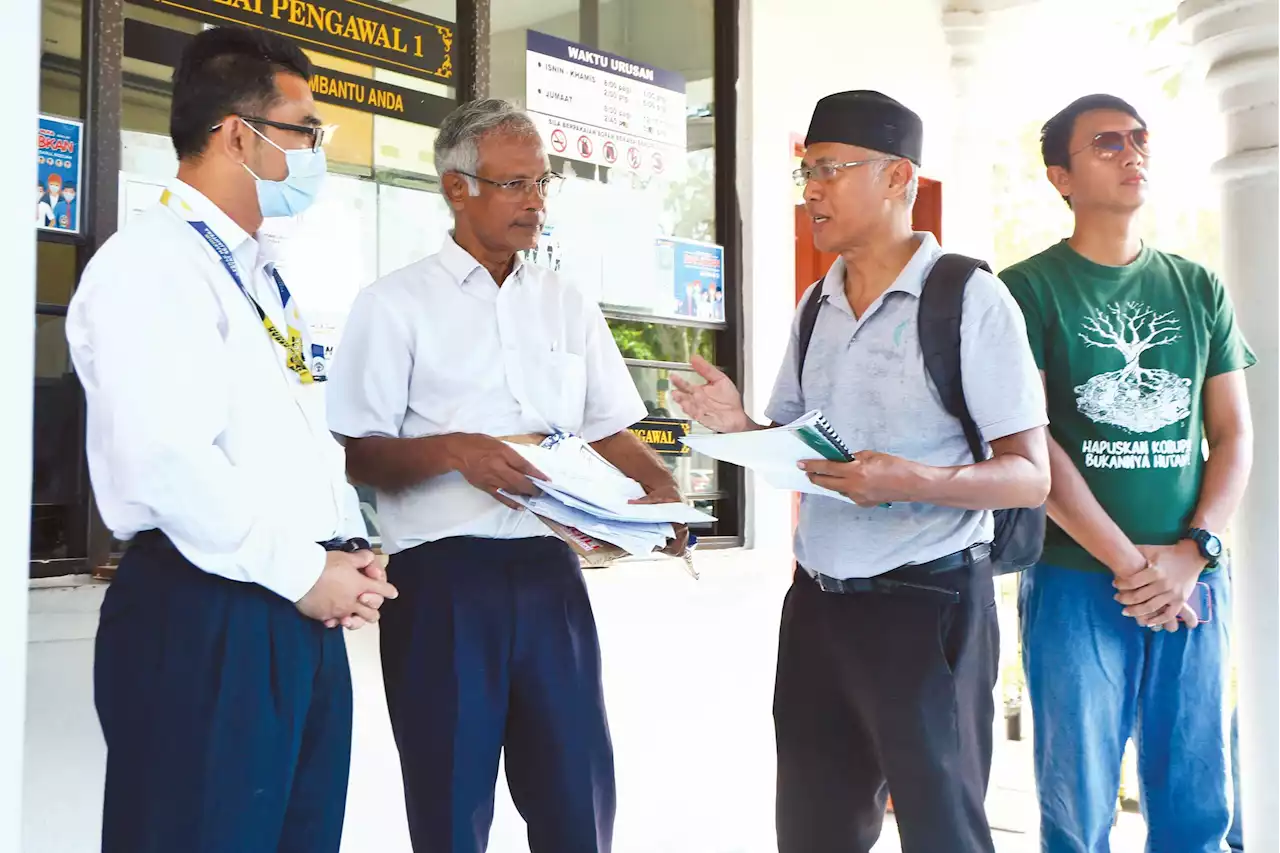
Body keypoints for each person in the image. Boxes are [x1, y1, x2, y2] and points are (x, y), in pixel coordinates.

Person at [671, 90, 1050, 853]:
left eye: (831, 169)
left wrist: (908, 479)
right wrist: (738, 425)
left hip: (930, 603)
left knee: (944, 834)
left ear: (897, 177)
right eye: (805, 171)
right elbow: (795, 443)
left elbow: (1028, 475)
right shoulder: (816, 304)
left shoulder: (971, 300)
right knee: (813, 834)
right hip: (817, 608)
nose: (811, 189)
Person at [65, 26, 397, 853]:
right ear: (238, 134)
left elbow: (284, 445)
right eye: (304, 129)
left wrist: (343, 551)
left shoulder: (254, 272)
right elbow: (167, 460)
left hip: (288, 608)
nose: (317, 153)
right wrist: (301, 569)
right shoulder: (151, 266)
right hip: (210, 611)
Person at [326, 97, 688, 853]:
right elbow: (359, 452)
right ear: (459, 189)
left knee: (577, 799)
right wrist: (457, 451)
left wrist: (659, 492)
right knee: (452, 806)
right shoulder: (394, 305)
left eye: (542, 183)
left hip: (551, 572)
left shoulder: (563, 301)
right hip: (442, 582)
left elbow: (605, 425)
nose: (535, 201)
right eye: (515, 184)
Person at [1000, 94, 1255, 853]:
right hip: (1079, 576)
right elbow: (1035, 444)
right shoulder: (1026, 290)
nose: (1131, 151)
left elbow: (1234, 433)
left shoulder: (1196, 286)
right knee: (1076, 809)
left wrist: (1192, 552)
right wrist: (1131, 565)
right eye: (1106, 143)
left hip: (1194, 577)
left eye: (1139, 139)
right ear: (1060, 177)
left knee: (1196, 800)